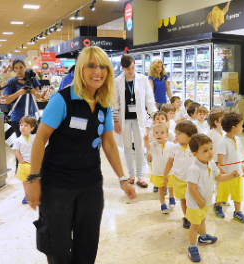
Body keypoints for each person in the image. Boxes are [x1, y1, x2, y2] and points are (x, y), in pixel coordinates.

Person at [25, 46, 136, 264]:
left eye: (103, 66)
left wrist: (123, 179)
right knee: (57, 246)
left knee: (87, 244)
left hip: (90, 184)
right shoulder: (62, 100)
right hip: (57, 185)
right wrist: (34, 178)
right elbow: (40, 139)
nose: (98, 71)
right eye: (92, 66)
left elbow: (109, 144)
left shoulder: (104, 103)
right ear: (80, 70)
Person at [185, 134, 244, 262]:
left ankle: (203, 238)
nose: (210, 152)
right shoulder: (194, 168)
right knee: (195, 225)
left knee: (202, 220)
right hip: (195, 204)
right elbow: (191, 188)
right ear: (195, 154)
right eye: (205, 150)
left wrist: (231, 176)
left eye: (211, 148)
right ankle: (192, 247)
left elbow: (218, 177)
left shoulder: (211, 164)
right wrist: (200, 201)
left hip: (204, 202)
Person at [113, 55, 157, 188]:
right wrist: (115, 120)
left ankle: (140, 175)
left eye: (132, 68)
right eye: (128, 69)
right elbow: (115, 102)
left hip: (139, 119)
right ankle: (131, 175)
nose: (131, 71)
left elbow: (149, 99)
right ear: (123, 68)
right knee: (127, 147)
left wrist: (154, 115)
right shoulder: (117, 81)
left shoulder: (143, 79)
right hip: (124, 118)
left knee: (140, 147)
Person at [213, 112, 244, 223]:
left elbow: (238, 155)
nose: (242, 128)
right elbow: (220, 159)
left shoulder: (237, 140)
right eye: (241, 126)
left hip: (238, 174)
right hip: (227, 175)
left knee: (238, 195)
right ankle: (217, 206)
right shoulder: (223, 142)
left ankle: (237, 212)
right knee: (222, 194)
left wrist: (242, 166)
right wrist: (222, 171)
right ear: (233, 128)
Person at [164, 120, 198, 229]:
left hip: (194, 180)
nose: (176, 135)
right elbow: (170, 162)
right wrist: (165, 174)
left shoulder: (195, 148)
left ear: (189, 136)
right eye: (176, 132)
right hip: (179, 179)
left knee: (193, 200)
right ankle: (187, 217)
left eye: (179, 133)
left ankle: (195, 218)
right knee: (183, 200)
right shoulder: (174, 147)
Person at [4, 58, 41, 138]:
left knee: (33, 143)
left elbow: (39, 96)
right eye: (16, 68)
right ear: (13, 69)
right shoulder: (11, 81)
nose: (19, 70)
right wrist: (19, 93)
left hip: (32, 119)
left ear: (24, 67)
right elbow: (7, 100)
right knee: (22, 144)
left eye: (20, 67)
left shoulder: (32, 79)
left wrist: (34, 92)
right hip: (17, 119)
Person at [144, 123, 176, 213]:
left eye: (162, 132)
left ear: (167, 135)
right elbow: (148, 147)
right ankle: (163, 204)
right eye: (157, 133)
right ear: (153, 135)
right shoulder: (153, 145)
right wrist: (146, 141)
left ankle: (171, 197)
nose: (159, 134)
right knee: (161, 189)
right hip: (158, 172)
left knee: (171, 187)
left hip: (170, 172)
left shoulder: (171, 145)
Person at [12, 115, 37, 204]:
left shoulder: (34, 138)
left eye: (26, 125)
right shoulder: (17, 140)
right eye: (21, 125)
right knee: (25, 182)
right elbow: (17, 152)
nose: (23, 127)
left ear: (32, 128)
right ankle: (27, 195)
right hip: (24, 165)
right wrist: (22, 162)